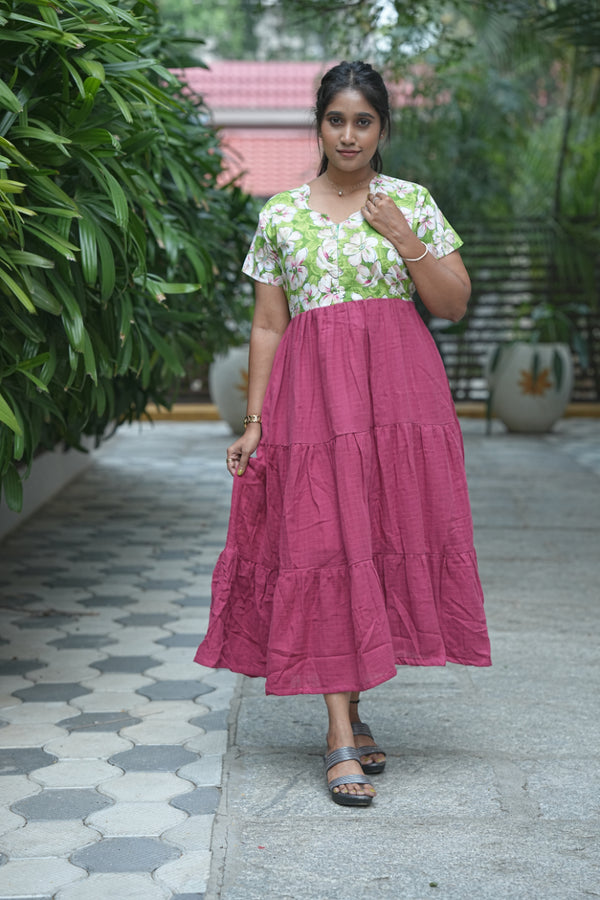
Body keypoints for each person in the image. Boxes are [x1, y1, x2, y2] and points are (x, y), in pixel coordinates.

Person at [195, 60, 491, 808]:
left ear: (382, 128)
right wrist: (254, 422)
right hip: (314, 403)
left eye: (364, 121)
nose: (349, 134)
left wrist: (405, 239)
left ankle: (354, 712)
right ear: (318, 126)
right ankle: (336, 733)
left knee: (378, 540)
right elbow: (268, 324)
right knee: (324, 543)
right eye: (337, 120)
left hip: (398, 399)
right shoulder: (282, 214)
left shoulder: (410, 203)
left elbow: (454, 303)